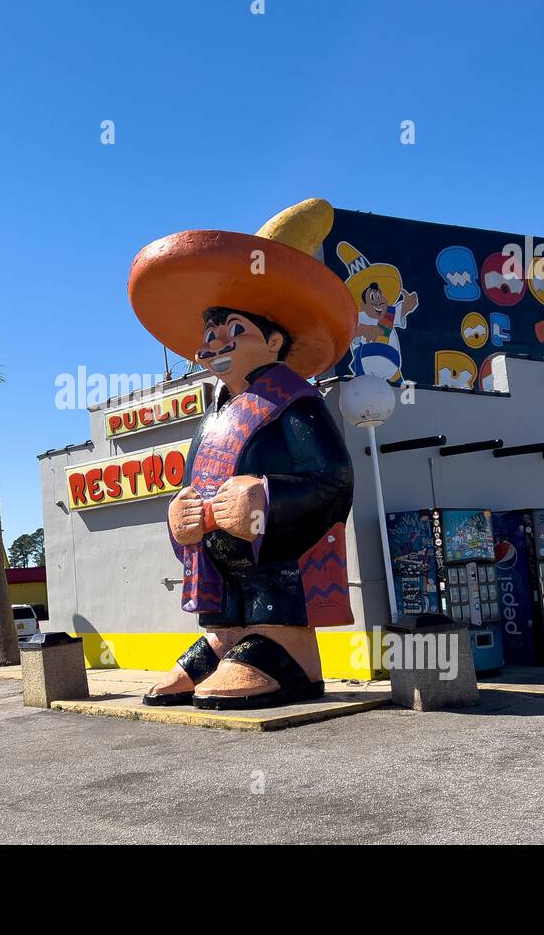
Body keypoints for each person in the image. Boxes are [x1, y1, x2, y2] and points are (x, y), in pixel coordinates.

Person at [127, 198, 358, 710]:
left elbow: (334, 480)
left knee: (275, 591)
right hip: (221, 573)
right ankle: (226, 642)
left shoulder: (297, 404)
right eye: (210, 332)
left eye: (234, 329)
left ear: (274, 339)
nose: (213, 342)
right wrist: (180, 513)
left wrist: (268, 497)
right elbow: (190, 483)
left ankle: (284, 651)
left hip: (281, 566)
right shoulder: (212, 415)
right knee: (223, 612)